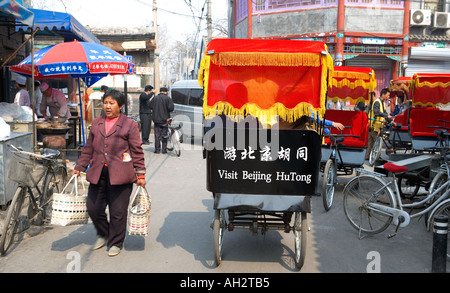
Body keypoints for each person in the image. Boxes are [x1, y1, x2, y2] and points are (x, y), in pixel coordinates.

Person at [72, 89, 146, 257]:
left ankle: (115, 242)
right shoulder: (97, 122)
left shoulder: (130, 124)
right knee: (93, 207)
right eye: (105, 102)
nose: (107, 106)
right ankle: (104, 233)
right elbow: (89, 148)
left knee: (118, 212)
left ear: (120, 106)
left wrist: (140, 174)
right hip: (98, 172)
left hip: (121, 174)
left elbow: (137, 150)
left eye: (112, 103)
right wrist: (79, 166)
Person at [365, 88, 394, 160]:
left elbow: (385, 113)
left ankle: (367, 157)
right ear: (383, 95)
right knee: (377, 143)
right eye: (387, 95)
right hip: (374, 126)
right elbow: (376, 112)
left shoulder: (382, 103)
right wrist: (387, 116)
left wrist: (390, 120)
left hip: (375, 127)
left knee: (370, 143)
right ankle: (376, 158)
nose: (388, 97)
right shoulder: (377, 102)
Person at [150, 87, 174, 154]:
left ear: (160, 91)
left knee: (157, 135)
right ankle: (164, 150)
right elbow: (171, 108)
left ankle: (157, 150)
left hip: (156, 120)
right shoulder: (168, 98)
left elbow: (149, 106)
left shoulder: (154, 98)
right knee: (164, 135)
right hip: (165, 120)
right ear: (166, 92)